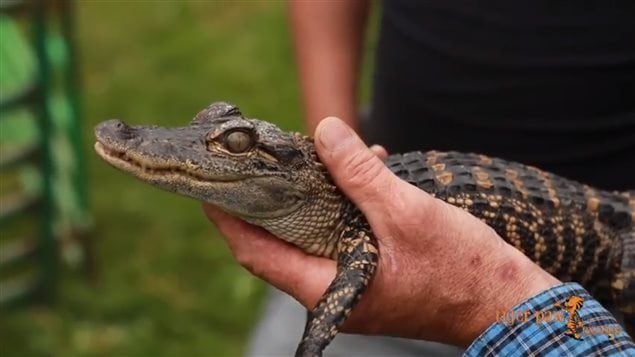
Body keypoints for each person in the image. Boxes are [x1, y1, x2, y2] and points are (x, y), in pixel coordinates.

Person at [236, 1, 635, 355]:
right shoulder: (337, 221)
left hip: (597, 307)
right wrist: (333, 136)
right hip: (370, 256)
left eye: (235, 142)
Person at [202, 117, 635, 355]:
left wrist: (313, 344)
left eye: (235, 142)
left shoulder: (355, 238)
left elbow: (355, 274)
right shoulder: (339, 212)